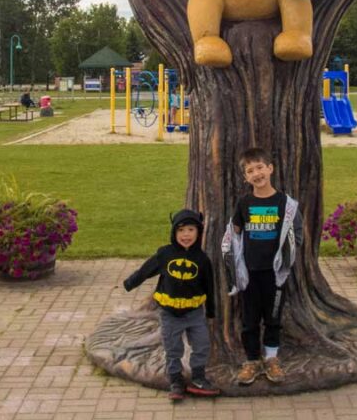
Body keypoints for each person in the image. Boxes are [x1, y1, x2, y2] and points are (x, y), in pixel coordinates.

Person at [222, 147, 303, 386]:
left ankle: (271, 359)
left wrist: (287, 258)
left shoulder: (285, 204)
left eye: (260, 167)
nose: (256, 173)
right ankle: (251, 361)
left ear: (270, 168)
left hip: (275, 275)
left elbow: (295, 233)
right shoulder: (245, 203)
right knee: (249, 319)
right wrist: (232, 257)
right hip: (250, 273)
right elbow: (235, 232)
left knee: (273, 317)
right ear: (245, 177)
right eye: (250, 170)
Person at [123, 209, 219, 400]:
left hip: (194, 313)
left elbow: (209, 286)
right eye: (181, 230)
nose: (186, 235)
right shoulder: (165, 254)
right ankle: (175, 379)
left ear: (198, 232)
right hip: (170, 313)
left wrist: (211, 310)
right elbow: (146, 270)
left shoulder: (202, 259)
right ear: (174, 233)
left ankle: (199, 377)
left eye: (191, 230)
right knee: (173, 347)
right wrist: (130, 282)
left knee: (201, 344)